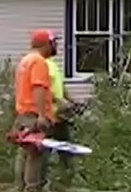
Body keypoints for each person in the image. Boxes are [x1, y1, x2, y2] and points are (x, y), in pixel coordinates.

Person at [13, 29, 56, 192]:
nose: (55, 46)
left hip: (23, 113)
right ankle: (32, 188)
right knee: (35, 155)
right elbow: (38, 88)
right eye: (53, 43)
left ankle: (19, 187)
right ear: (46, 44)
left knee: (24, 153)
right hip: (33, 115)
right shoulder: (39, 62)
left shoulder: (25, 61)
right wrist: (42, 115)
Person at [45, 34, 76, 180]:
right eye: (53, 43)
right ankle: (34, 184)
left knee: (66, 149)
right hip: (47, 117)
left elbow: (59, 86)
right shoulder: (41, 65)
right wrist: (59, 101)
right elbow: (42, 90)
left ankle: (67, 179)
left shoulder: (52, 64)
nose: (56, 46)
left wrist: (71, 100)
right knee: (41, 152)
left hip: (59, 116)